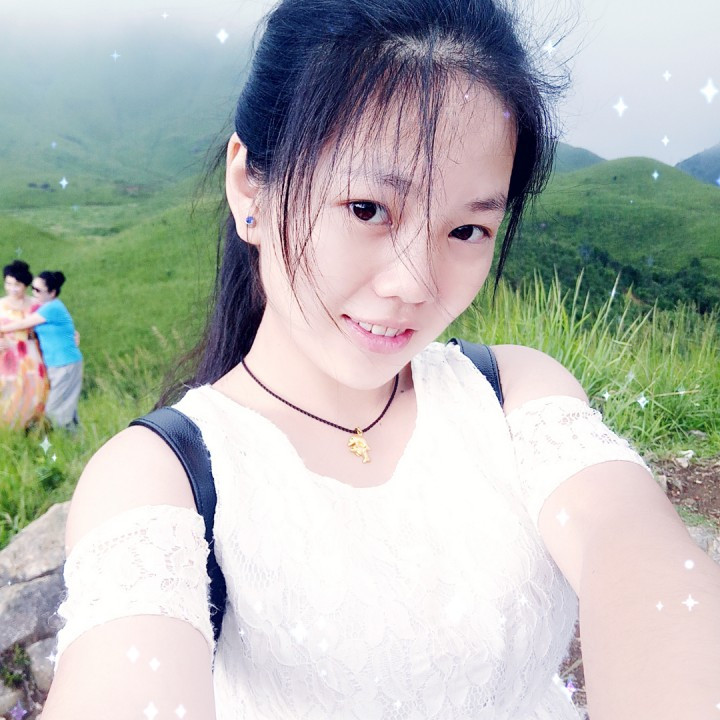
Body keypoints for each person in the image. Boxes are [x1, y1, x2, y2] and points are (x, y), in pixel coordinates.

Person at [43, 0, 720, 718]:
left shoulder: (513, 395)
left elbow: (639, 561)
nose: (414, 284)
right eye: (367, 209)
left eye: (467, 229)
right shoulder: (162, 475)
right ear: (250, 186)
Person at [0, 270, 83, 429]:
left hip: (56, 362)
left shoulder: (45, 307)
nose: (34, 292)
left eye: (38, 290)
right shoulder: (44, 305)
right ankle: (71, 435)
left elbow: (23, 324)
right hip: (46, 362)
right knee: (63, 403)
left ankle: (58, 436)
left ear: (52, 293)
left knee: (51, 404)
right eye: (34, 289)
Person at [0, 260, 49, 429]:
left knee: (35, 388)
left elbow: (53, 326)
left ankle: (31, 426)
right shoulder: (1, 305)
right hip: (7, 354)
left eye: (17, 285)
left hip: (31, 353)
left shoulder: (36, 305)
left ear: (25, 285)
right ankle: (7, 429)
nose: (12, 288)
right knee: (9, 389)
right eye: (8, 284)